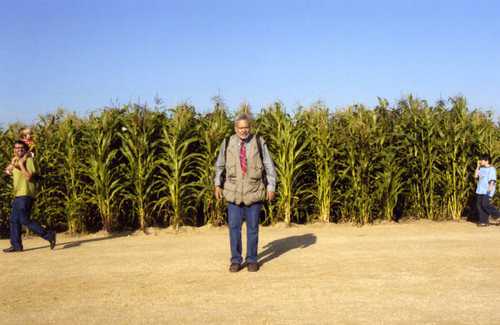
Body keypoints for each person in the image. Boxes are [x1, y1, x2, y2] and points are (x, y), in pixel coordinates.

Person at [214, 114, 277, 272]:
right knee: (234, 228)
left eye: (246, 127)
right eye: (241, 128)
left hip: (253, 191)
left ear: (250, 127)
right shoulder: (227, 142)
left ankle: (252, 260)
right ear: (236, 128)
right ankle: (235, 260)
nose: (244, 130)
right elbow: (219, 165)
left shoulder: (258, 142)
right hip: (233, 192)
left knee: (253, 228)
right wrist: (217, 185)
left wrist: (271, 187)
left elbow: (269, 166)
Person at [3, 141, 56, 252]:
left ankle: (49, 235)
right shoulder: (17, 161)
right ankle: (16, 245)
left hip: (26, 194)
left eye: (22, 148)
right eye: (17, 148)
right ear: (13, 150)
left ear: (25, 149)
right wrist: (11, 171)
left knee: (24, 220)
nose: (19, 149)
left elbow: (27, 177)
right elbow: (18, 177)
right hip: (18, 194)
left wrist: (21, 164)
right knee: (14, 220)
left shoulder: (28, 160)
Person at [474, 153, 500, 227]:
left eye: (481, 160)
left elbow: (493, 179)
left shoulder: (492, 169)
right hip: (480, 190)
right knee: (479, 205)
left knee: (485, 204)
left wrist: (490, 186)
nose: (480, 161)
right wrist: (477, 167)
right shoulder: (481, 169)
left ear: (486, 160)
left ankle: (498, 216)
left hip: (488, 189)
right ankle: (484, 221)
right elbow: (476, 176)